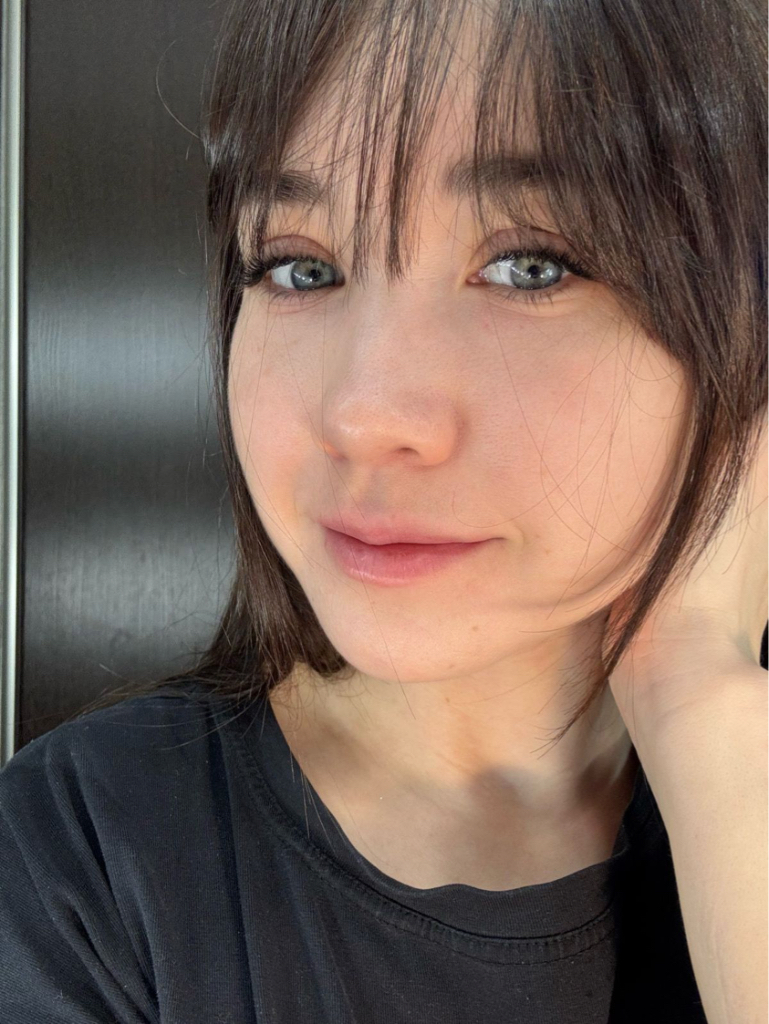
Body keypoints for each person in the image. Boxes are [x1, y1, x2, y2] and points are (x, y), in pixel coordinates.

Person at [1, 1, 766, 1021]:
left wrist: (703, 704)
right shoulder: (77, 858)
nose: (362, 415)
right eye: (300, 266)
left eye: (531, 264)